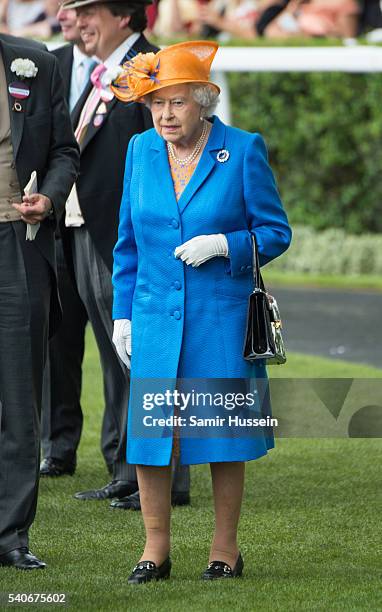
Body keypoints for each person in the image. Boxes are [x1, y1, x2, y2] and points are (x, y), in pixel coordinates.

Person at [111, 40, 291, 583]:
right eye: (157, 102)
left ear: (204, 102)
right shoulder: (140, 150)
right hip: (155, 313)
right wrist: (123, 314)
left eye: (178, 102)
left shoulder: (241, 150)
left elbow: (276, 232)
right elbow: (128, 244)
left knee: (221, 435)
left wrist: (227, 246)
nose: (165, 114)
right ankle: (155, 551)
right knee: (151, 434)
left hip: (220, 315)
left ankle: (225, 550)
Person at [60, 0, 190, 506]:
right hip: (96, 231)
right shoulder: (107, 72)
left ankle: (168, 478)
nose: (76, 21)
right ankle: (127, 469)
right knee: (119, 357)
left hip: (136, 238)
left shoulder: (156, 67)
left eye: (87, 10)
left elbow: (173, 155)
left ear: (123, 15)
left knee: (149, 358)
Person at [0, 33, 79, 570]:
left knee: (20, 395)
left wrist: (49, 196)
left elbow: (64, 151)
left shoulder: (36, 63)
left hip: (17, 246)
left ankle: (10, 535)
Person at [40, 0, 95, 478]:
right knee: (57, 343)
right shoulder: (46, 62)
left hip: (108, 230)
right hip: (55, 224)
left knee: (123, 347)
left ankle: (130, 461)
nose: (62, 14)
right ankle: (58, 448)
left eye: (74, 6)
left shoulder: (139, 66)